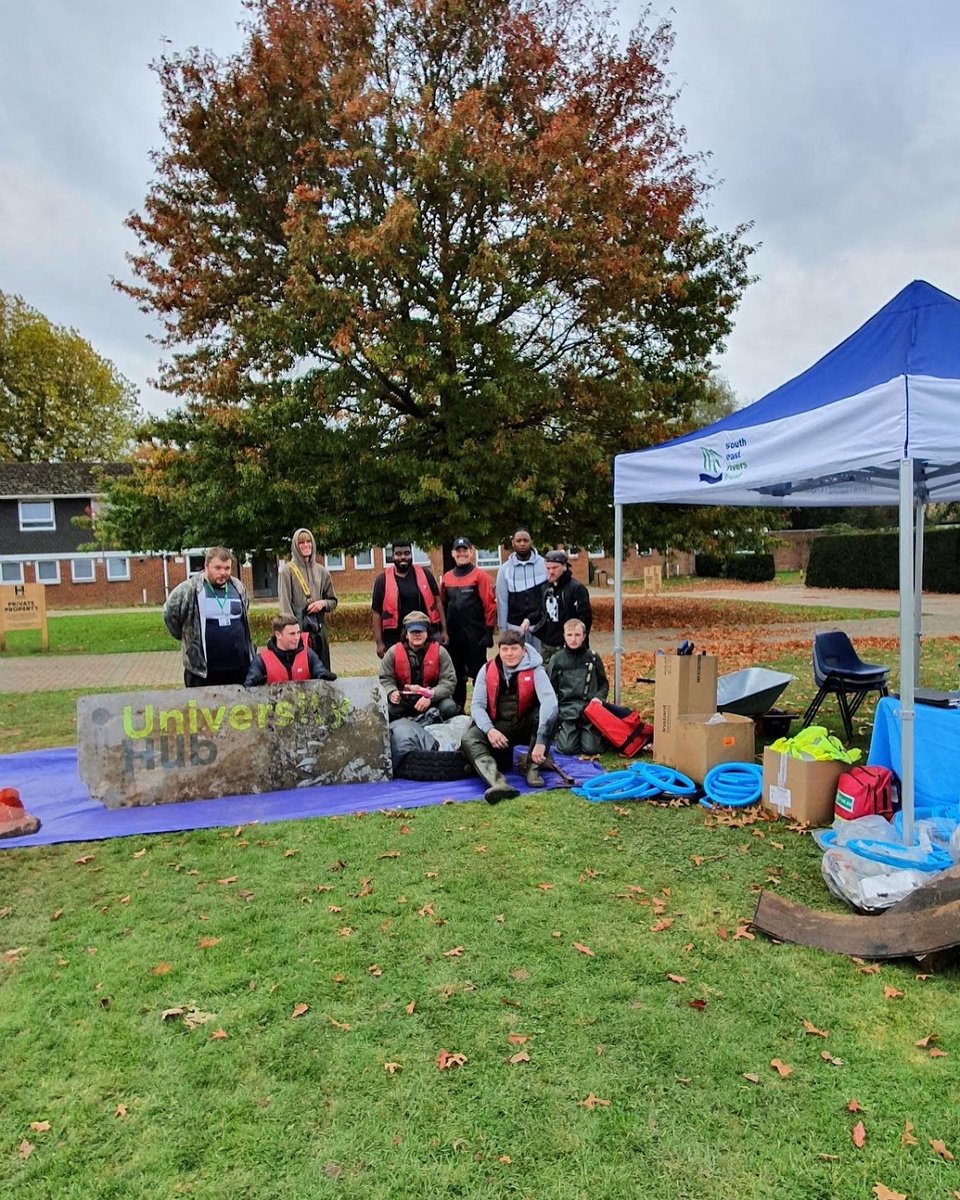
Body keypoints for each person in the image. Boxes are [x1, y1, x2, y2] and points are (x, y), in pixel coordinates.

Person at [460, 629, 558, 803]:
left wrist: (541, 742)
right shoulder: (487, 669)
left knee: (547, 716)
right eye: (505, 649)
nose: (509, 654)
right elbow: (477, 706)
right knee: (469, 738)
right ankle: (497, 783)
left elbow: (550, 705)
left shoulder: (537, 671)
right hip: (498, 727)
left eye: (514, 649)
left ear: (524, 650)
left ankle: (533, 766)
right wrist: (489, 730)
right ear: (499, 650)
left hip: (524, 724)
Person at [163, 545, 254, 687]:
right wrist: (188, 638)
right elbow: (170, 615)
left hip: (239, 668)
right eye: (217, 568)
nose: (223, 572)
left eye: (227, 568)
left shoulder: (238, 587)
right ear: (206, 566)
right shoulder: (189, 589)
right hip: (203, 673)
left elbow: (244, 613)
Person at [440, 535, 497, 709]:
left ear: (471, 552)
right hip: (454, 638)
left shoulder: (481, 577)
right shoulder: (447, 578)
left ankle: (483, 710)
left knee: (479, 677)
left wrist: (488, 632)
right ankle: (457, 710)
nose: (462, 553)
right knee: (456, 676)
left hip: (475, 637)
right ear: (452, 554)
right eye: (458, 551)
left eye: (465, 550)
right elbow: (441, 605)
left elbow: (490, 606)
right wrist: (442, 631)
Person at [379, 610, 459, 723]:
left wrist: (430, 697)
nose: (417, 635)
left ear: (427, 633)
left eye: (420, 631)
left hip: (432, 701)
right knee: (387, 710)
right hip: (404, 702)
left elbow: (449, 682)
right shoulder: (392, 653)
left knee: (449, 707)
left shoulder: (441, 652)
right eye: (413, 632)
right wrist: (391, 692)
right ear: (406, 634)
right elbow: (385, 679)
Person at [371, 540, 447, 658]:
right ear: (393, 556)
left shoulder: (425, 574)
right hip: (394, 636)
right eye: (399, 554)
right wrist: (379, 643)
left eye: (407, 553)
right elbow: (376, 613)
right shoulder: (382, 580)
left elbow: (438, 602)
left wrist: (444, 631)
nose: (403, 557)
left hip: (426, 633)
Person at [277, 527, 338, 670]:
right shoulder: (287, 571)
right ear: (295, 547)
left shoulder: (322, 571)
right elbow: (285, 605)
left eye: (308, 541)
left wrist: (322, 603)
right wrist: (292, 633)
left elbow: (333, 601)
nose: (306, 545)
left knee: (321, 670)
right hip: (298, 632)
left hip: (319, 630)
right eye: (301, 543)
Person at [547, 618, 609, 754]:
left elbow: (604, 683)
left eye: (577, 635)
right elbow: (550, 689)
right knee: (567, 749)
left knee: (592, 749)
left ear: (584, 636)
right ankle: (564, 733)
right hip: (567, 710)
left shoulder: (593, 658)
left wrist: (599, 697)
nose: (573, 639)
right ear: (564, 636)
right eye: (569, 635)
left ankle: (591, 734)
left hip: (590, 710)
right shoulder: (556, 659)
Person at [531, 549, 593, 663]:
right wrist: (528, 622)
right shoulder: (545, 588)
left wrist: (576, 641)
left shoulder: (577, 589)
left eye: (554, 568)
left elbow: (585, 619)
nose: (551, 572)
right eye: (548, 568)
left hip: (569, 645)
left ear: (564, 567)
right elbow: (541, 612)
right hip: (548, 644)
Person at [244, 613, 337, 686]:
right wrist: (256, 685)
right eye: (292, 634)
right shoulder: (261, 660)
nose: (297, 637)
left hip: (304, 707)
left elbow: (319, 670)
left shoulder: (309, 654)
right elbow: (248, 687)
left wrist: (324, 676)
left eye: (298, 633)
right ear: (278, 635)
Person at [496, 528, 547, 647]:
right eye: (519, 541)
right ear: (513, 543)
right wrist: (503, 631)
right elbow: (502, 603)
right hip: (514, 628)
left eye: (526, 540)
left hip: (540, 627)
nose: (522, 543)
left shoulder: (544, 565)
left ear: (531, 542)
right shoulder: (504, 570)